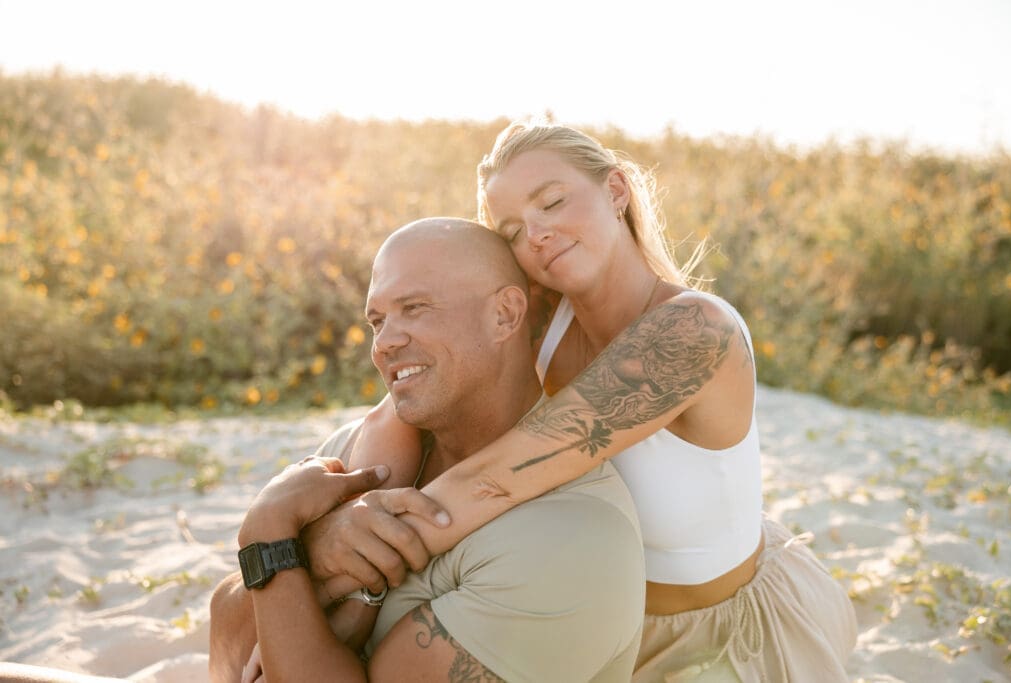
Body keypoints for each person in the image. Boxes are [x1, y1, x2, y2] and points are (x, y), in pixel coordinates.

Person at [310, 122, 857, 682]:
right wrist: (352, 515)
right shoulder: (539, 315)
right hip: (588, 613)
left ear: (616, 191)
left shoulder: (695, 331)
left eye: (551, 202)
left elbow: (498, 478)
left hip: (712, 635)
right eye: (512, 231)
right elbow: (398, 416)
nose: (537, 234)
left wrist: (338, 572)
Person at [208, 218, 646, 682]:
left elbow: (264, 582)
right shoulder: (363, 457)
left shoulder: (569, 543)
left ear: (504, 314)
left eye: (414, 308)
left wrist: (271, 534)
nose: (384, 343)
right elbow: (226, 646)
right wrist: (308, 552)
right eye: (377, 321)